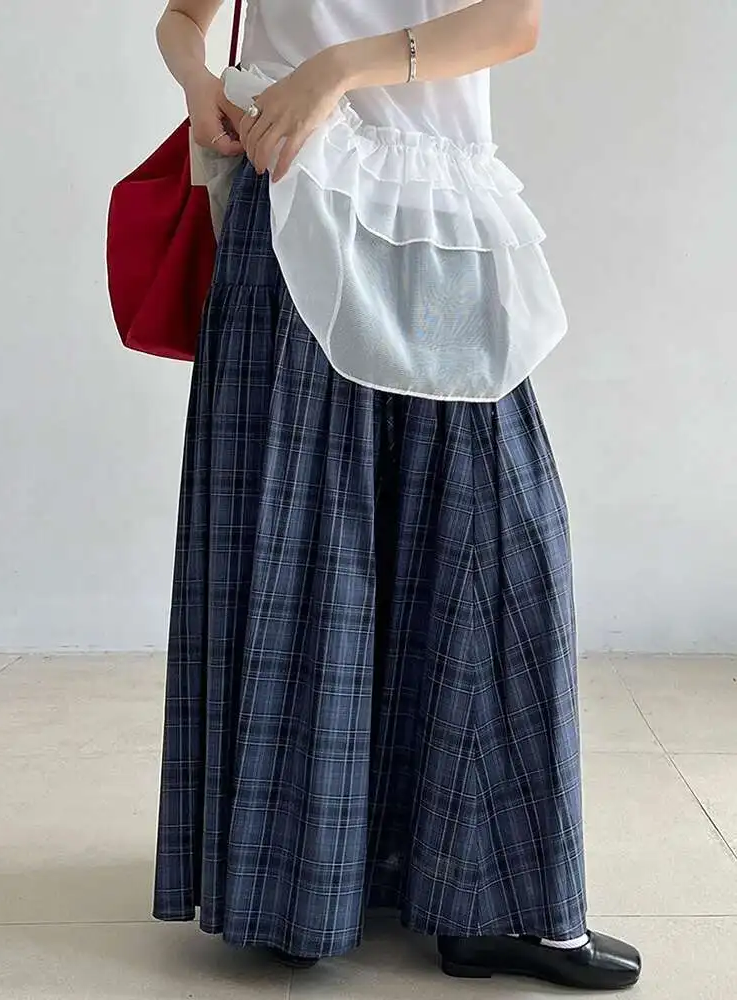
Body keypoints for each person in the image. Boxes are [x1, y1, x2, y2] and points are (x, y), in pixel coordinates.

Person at [152, 0, 641, 990]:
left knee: (494, 537)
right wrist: (201, 89)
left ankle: (480, 898)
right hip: (293, 206)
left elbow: (512, 21)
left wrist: (335, 70)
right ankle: (301, 889)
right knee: (310, 547)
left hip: (431, 213)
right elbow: (182, 17)